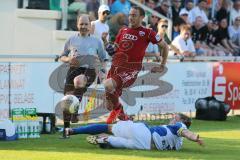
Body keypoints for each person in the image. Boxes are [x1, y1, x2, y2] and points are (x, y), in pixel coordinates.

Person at [103, 6, 169, 124]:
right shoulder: (122, 31)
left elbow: (165, 46)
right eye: (130, 15)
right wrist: (105, 41)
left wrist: (162, 65)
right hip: (115, 68)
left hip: (130, 70)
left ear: (142, 17)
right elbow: (113, 51)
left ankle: (117, 114)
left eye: (134, 15)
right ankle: (124, 118)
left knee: (107, 85)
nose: (131, 18)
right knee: (109, 106)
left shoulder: (148, 32)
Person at [59, 15, 107, 138]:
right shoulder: (71, 40)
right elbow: (62, 56)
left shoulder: (97, 41)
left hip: (89, 70)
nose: (84, 27)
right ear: (77, 25)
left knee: (79, 81)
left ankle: (74, 111)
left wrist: (102, 72)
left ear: (90, 26)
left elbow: (103, 59)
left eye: (86, 24)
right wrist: (69, 59)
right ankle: (66, 132)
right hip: (73, 69)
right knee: (67, 100)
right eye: (81, 24)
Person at [64, 113, 204, 150]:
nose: (173, 119)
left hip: (143, 133)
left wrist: (196, 137)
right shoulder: (179, 145)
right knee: (115, 141)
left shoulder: (181, 126)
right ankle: (104, 140)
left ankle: (73, 131)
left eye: (175, 117)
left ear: (182, 121)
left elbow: (187, 133)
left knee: (109, 127)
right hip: (146, 147)